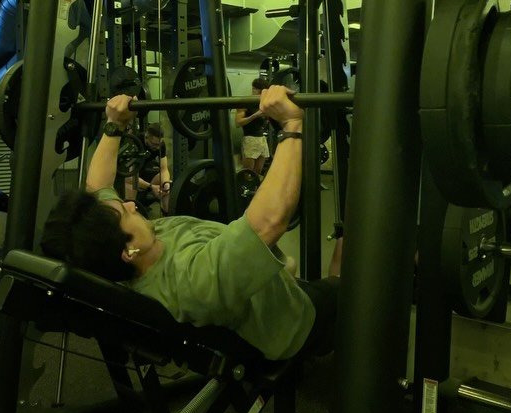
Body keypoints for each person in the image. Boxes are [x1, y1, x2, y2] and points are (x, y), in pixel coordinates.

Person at [41, 85, 340, 361]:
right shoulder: (190, 280)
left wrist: (114, 124)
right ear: (128, 250)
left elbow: (96, 187)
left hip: (276, 290)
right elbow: (269, 222)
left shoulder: (122, 250)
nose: (131, 204)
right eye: (125, 212)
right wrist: (292, 126)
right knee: (352, 272)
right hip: (294, 322)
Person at [118, 122, 171, 214]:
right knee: (131, 186)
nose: (157, 147)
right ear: (146, 137)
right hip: (129, 175)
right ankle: (132, 215)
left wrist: (166, 184)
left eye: (159, 144)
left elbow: (164, 169)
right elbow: (129, 178)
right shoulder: (135, 142)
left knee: (166, 186)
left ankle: (167, 215)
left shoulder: (160, 145)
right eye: (154, 144)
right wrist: (151, 187)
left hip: (144, 171)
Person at [235, 77, 270, 177]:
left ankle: (255, 191)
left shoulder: (262, 103)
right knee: (248, 173)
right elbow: (238, 123)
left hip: (261, 139)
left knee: (257, 172)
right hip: (250, 139)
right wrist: (255, 116)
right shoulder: (245, 102)